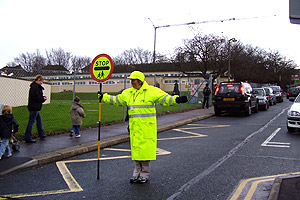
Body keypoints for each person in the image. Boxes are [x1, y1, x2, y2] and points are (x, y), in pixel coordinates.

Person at [98, 71, 188, 183]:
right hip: (135, 128)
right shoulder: (128, 93)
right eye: (131, 80)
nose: (131, 82)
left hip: (146, 128)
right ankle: (136, 173)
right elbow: (117, 100)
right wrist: (104, 97)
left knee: (145, 152)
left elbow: (164, 99)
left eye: (133, 80)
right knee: (136, 152)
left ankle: (144, 174)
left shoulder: (151, 91)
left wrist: (176, 99)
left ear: (140, 81)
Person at [24, 75, 47, 143]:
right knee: (31, 121)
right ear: (37, 80)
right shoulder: (35, 87)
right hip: (34, 107)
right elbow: (35, 97)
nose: (41, 82)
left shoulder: (35, 87)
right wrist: (42, 98)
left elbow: (36, 96)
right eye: (40, 81)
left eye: (42, 81)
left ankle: (41, 134)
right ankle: (28, 137)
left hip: (35, 106)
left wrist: (42, 98)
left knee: (39, 120)